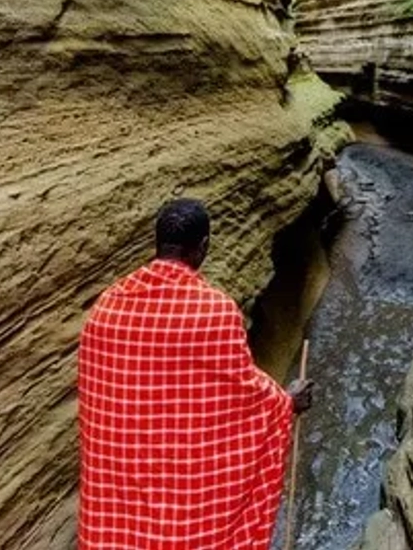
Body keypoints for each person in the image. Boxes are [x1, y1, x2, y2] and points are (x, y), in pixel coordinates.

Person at [78, 198, 315, 550]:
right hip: (183, 518)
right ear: (203, 246)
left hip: (117, 516)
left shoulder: (107, 308)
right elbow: (244, 394)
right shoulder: (214, 311)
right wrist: (287, 402)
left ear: (158, 244)